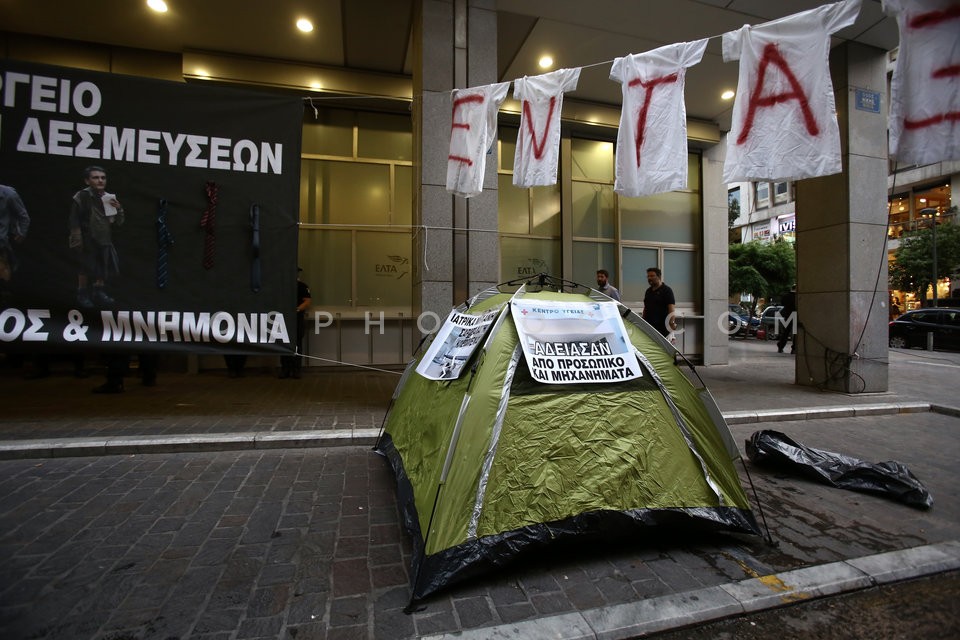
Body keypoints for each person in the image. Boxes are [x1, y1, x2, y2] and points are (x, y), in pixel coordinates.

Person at [69, 166, 124, 308]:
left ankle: (98, 291)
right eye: (95, 177)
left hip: (104, 237)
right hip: (87, 236)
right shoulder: (82, 196)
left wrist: (118, 209)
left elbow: (118, 221)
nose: (100, 180)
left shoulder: (108, 197)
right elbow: (74, 218)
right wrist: (77, 237)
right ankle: (82, 293)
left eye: (102, 177)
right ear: (87, 181)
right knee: (85, 266)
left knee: (102, 265)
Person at [0, 184, 30, 305]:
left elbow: (23, 216)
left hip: (1, 239)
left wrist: (21, 232)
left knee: (3, 267)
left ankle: (5, 294)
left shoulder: (8, 193)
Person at [280, 269, 312, 379]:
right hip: (283, 318)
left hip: (297, 318)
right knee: (284, 343)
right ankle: (285, 369)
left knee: (297, 344)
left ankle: (296, 369)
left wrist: (297, 310)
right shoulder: (283, 286)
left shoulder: (302, 286)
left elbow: (307, 301)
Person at [642, 267, 676, 337]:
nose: (649, 278)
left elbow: (671, 310)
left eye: (652, 276)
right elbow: (646, 307)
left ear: (659, 276)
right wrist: (643, 320)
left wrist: (671, 325)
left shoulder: (667, 290)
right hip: (649, 327)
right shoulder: (648, 291)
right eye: (648, 276)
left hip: (663, 328)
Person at [777, 285, 797, 354]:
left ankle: (780, 347)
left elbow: (782, 303)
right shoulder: (797, 296)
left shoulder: (786, 296)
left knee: (786, 332)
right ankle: (794, 349)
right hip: (796, 315)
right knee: (796, 333)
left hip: (788, 315)